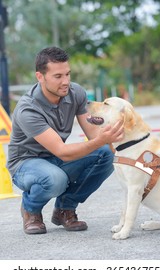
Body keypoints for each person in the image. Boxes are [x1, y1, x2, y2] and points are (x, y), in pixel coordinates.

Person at [7, 46, 124, 235]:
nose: (66, 82)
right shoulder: (27, 109)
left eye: (68, 74)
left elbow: (95, 135)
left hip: (55, 157)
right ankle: (31, 210)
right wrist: (100, 140)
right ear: (40, 76)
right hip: (25, 164)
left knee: (106, 154)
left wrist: (127, 152)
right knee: (55, 179)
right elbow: (62, 151)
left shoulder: (75, 93)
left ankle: (64, 209)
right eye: (58, 76)